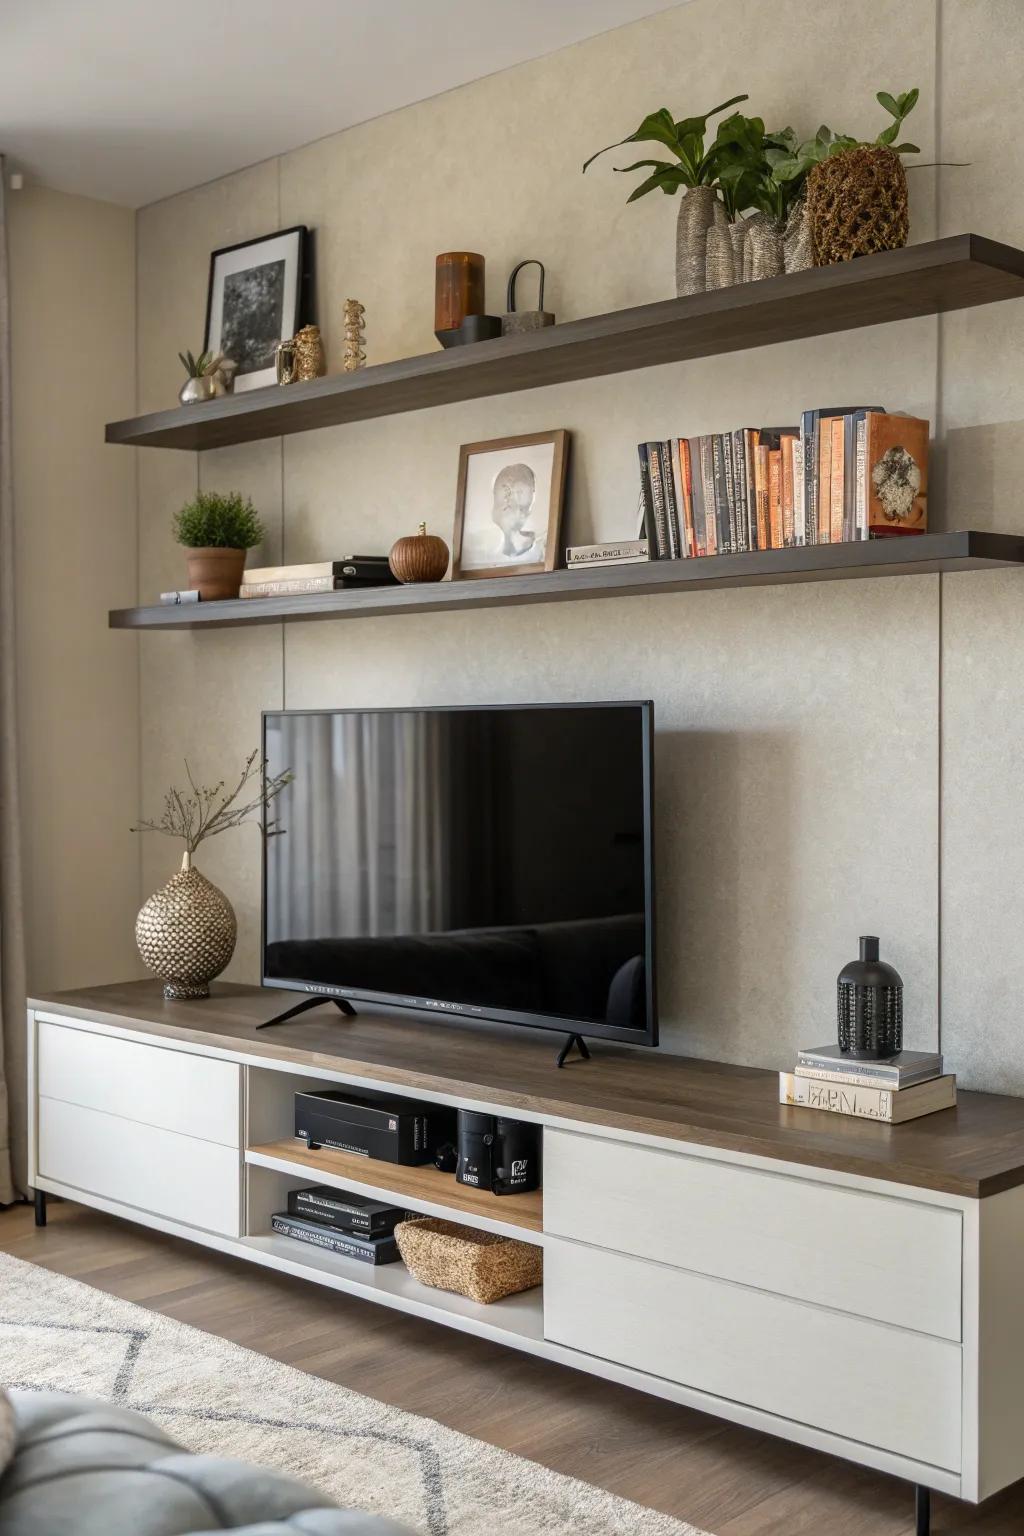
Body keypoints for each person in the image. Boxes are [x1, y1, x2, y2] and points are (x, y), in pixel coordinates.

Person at [491, 462, 543, 561]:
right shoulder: (488, 555)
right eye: (505, 489)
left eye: (518, 492)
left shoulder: (540, 553)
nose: (507, 498)